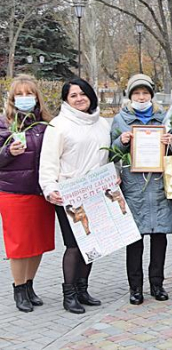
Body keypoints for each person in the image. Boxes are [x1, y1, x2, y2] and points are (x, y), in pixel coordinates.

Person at [39, 78, 110, 314]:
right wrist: (50, 188)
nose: (79, 98)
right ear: (66, 100)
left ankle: (82, 289)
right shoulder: (59, 126)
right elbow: (48, 161)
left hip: (96, 191)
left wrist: (114, 175)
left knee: (91, 243)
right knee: (74, 245)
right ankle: (68, 294)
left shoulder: (101, 123)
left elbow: (106, 157)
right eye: (73, 95)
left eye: (83, 93)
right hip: (69, 192)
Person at [110, 74, 172, 305]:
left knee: (159, 238)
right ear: (130, 96)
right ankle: (135, 287)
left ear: (151, 94)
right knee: (134, 241)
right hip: (134, 188)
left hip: (159, 186)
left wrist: (170, 141)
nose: (141, 97)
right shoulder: (120, 120)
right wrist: (122, 141)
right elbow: (110, 153)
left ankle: (157, 284)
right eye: (137, 93)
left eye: (145, 93)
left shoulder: (164, 118)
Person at [0, 75, 55, 312]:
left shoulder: (46, 124)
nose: (25, 98)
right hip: (15, 192)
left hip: (41, 193)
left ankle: (30, 285)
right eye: (19, 94)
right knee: (19, 245)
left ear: (36, 97)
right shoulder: (4, 123)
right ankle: (18, 288)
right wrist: (8, 152)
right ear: (12, 98)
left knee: (38, 243)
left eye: (29, 93)